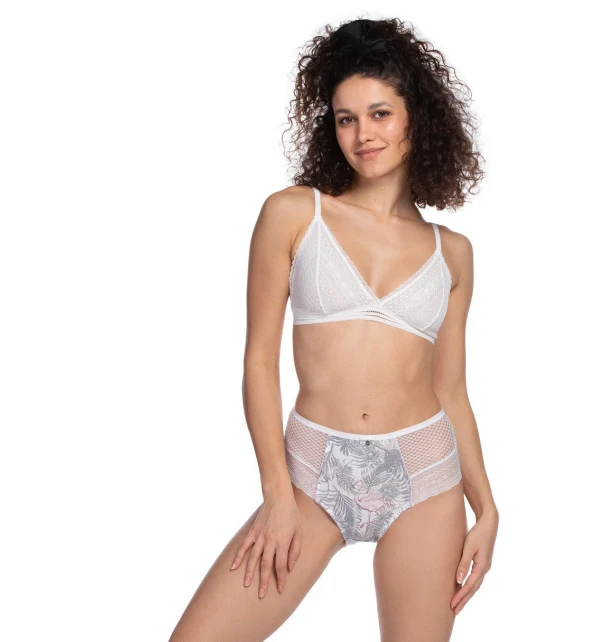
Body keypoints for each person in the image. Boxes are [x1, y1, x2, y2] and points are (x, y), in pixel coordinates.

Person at [170, 16, 499, 642]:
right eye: (346, 118)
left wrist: (486, 508)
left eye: (380, 114)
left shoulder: (452, 252)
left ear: (416, 119)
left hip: (425, 473)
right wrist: (276, 494)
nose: (362, 134)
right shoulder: (294, 214)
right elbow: (258, 363)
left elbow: (452, 390)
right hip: (312, 471)